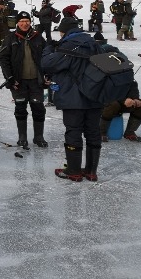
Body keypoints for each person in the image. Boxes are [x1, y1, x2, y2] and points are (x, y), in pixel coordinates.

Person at [42, 15, 105, 182]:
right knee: (93, 132)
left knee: (74, 132)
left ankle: (74, 171)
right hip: (95, 95)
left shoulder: (69, 45)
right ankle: (91, 171)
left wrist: (48, 48)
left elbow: (48, 64)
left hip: (73, 97)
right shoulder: (94, 44)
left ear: (63, 31)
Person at [0, 11, 48, 148]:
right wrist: (9, 78)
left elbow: (47, 57)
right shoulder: (11, 38)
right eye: (22, 21)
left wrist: (48, 76)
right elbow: (2, 58)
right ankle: (22, 137)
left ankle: (39, 137)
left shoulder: (38, 37)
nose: (25, 24)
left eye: (27, 21)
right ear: (17, 23)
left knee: (38, 108)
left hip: (36, 81)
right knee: (20, 108)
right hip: (18, 82)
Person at [100, 78, 141, 143]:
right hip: (104, 104)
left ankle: (130, 132)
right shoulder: (105, 77)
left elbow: (133, 91)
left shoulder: (128, 77)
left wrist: (135, 99)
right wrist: (124, 100)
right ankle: (101, 133)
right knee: (114, 105)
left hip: (122, 104)